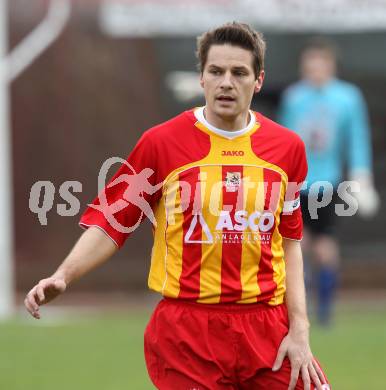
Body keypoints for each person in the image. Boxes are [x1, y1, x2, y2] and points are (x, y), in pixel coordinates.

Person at [25, 22, 330, 389]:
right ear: (201, 78)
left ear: (258, 80)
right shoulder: (161, 144)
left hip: (268, 327)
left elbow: (290, 242)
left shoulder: (287, 148)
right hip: (187, 333)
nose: (226, 82)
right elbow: (112, 222)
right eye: (216, 71)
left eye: (239, 72)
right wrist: (63, 275)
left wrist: (300, 328)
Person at [278, 38, 379, 326]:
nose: (315, 69)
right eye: (310, 64)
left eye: (321, 63)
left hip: (327, 182)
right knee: (297, 245)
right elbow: (284, 138)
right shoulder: (294, 96)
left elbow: (357, 138)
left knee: (324, 246)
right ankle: (299, 306)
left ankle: (325, 310)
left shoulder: (347, 97)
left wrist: (362, 175)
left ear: (332, 65)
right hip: (296, 182)